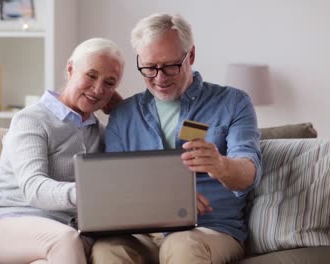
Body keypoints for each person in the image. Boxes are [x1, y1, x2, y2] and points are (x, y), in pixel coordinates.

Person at [91, 13, 262, 264]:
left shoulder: (233, 102)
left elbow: (248, 173)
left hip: (208, 231)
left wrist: (221, 165)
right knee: (106, 250)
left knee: (181, 245)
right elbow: (116, 188)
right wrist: (166, 203)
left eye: (171, 66)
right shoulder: (124, 115)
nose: (160, 78)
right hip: (142, 233)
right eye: (149, 68)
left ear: (190, 56)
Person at [0, 38, 124, 264]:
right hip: (7, 227)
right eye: (91, 76)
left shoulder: (101, 134)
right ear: (71, 69)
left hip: (66, 237)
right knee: (65, 240)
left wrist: (124, 113)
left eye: (109, 83)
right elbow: (33, 187)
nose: (98, 89)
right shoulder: (31, 120)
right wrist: (84, 193)